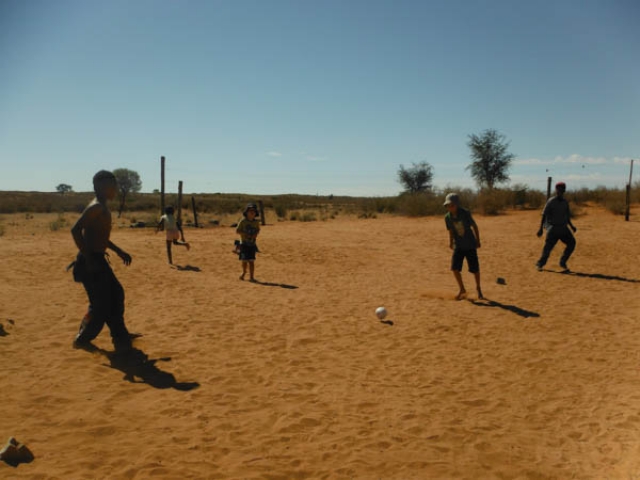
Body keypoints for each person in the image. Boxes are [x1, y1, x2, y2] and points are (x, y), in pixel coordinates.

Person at [70, 170, 133, 351]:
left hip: (97, 259)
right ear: (101, 187)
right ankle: (82, 339)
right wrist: (89, 258)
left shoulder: (103, 207)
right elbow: (75, 230)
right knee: (101, 306)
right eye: (112, 186)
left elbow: (100, 236)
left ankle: (119, 333)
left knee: (116, 294)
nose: (115, 189)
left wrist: (119, 251)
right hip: (91, 261)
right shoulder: (96, 207)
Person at [444, 193, 484, 300]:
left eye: (452, 205)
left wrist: (478, 240)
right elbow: (451, 231)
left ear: (457, 204)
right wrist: (451, 242)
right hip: (459, 246)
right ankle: (462, 289)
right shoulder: (447, 217)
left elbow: (474, 226)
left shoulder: (465, 213)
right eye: (448, 205)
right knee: (454, 268)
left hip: (470, 244)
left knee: (475, 269)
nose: (450, 207)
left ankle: (478, 288)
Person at [536, 181, 577, 271]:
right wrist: (541, 229)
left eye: (562, 189)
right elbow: (544, 214)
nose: (560, 191)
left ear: (564, 191)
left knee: (572, 243)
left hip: (563, 229)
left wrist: (572, 226)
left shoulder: (565, 202)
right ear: (556, 190)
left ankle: (563, 262)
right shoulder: (551, 201)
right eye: (559, 189)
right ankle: (540, 264)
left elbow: (567, 216)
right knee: (548, 248)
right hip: (553, 229)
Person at [236, 203, 260, 282]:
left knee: (252, 261)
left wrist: (255, 235)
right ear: (246, 212)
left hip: (252, 244)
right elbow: (237, 231)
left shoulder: (256, 222)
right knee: (244, 260)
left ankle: (252, 277)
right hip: (244, 244)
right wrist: (244, 234)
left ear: (256, 213)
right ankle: (244, 272)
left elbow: (258, 230)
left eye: (253, 211)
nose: (252, 212)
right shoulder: (243, 221)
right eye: (250, 211)